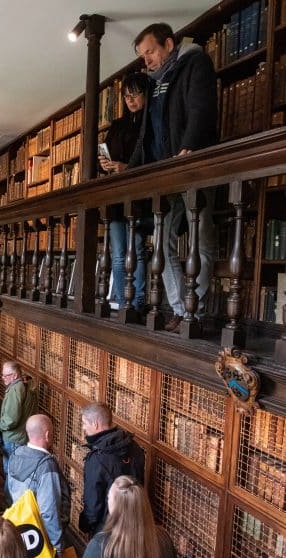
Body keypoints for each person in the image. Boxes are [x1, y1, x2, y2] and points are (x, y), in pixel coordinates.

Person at [129, 22, 218, 333]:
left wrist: (189, 147)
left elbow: (201, 109)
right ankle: (181, 308)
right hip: (164, 177)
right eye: (143, 56)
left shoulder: (194, 63)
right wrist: (137, 170)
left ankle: (195, 308)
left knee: (201, 241)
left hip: (194, 167)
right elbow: (149, 133)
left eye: (150, 51)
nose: (147, 60)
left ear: (168, 44)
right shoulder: (154, 83)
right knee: (163, 245)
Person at [6, 414, 70, 558]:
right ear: (48, 434)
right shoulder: (46, 466)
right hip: (40, 537)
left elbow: (9, 490)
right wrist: (57, 545)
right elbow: (49, 510)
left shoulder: (16, 455)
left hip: (18, 530)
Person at [98, 72, 150, 314]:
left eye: (135, 94)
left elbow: (152, 156)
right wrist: (105, 163)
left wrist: (127, 167)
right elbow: (104, 154)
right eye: (126, 96)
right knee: (118, 253)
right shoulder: (118, 125)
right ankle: (121, 299)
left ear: (145, 95)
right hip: (116, 198)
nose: (130, 100)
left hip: (139, 196)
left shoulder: (150, 123)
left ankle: (137, 301)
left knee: (137, 250)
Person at [80, 402, 145, 537]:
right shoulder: (135, 447)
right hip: (134, 525)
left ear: (96, 424)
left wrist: (85, 525)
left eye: (85, 423)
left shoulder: (97, 459)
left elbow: (93, 505)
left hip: (107, 530)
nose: (83, 428)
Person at [0, 361, 38, 475]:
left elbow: (11, 420)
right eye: (2, 375)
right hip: (21, 436)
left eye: (6, 376)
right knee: (16, 471)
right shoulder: (26, 385)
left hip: (13, 438)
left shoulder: (15, 390)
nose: (3, 378)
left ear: (15, 375)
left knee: (10, 472)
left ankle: (8, 493)